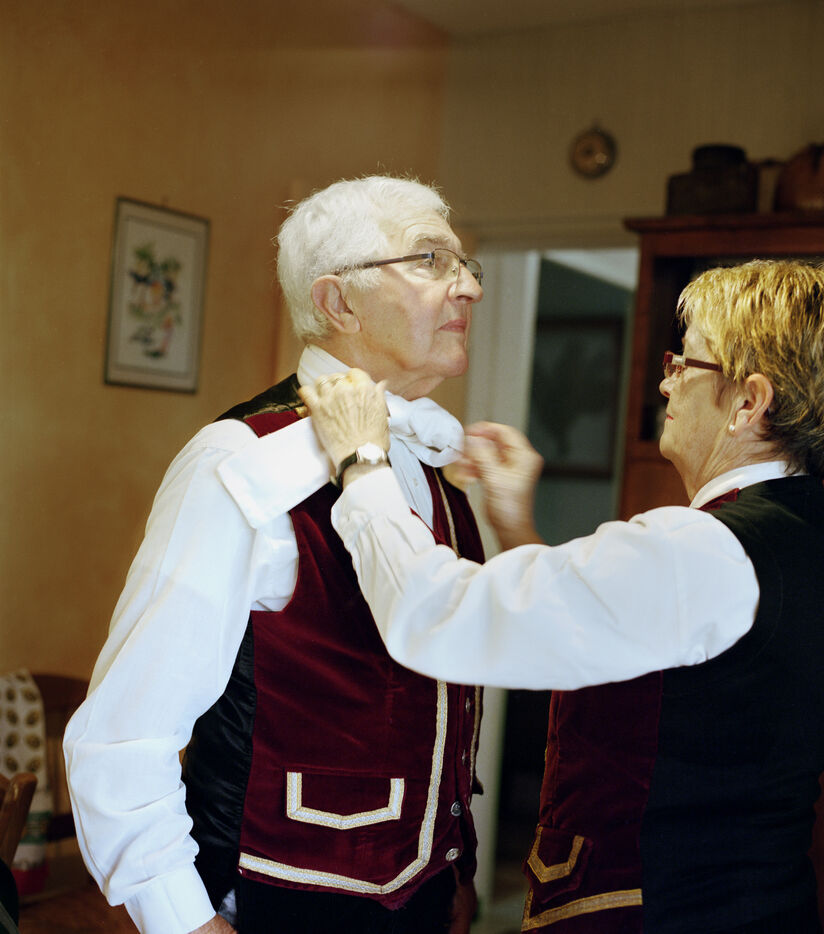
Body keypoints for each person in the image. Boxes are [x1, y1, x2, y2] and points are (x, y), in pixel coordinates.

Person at [302, 259, 824, 933]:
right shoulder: (805, 540)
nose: (667, 381)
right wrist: (516, 528)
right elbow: (596, 638)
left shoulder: (702, 550)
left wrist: (362, 463)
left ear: (749, 403)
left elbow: (440, 617)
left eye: (686, 362)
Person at [63, 175, 487, 934]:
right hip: (275, 899)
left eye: (464, 264)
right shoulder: (238, 462)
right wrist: (181, 919)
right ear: (338, 301)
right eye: (430, 259)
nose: (469, 287)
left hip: (425, 901)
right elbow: (124, 732)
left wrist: (455, 870)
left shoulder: (435, 467)